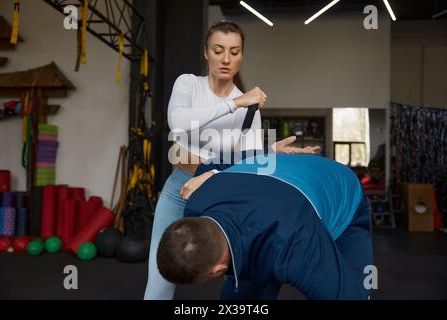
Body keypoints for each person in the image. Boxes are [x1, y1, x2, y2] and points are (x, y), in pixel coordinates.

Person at [144, 20, 319, 300]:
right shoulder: (189, 84)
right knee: (160, 271)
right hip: (179, 191)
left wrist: (268, 153)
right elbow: (177, 124)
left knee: (241, 267)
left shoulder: (250, 109)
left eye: (234, 51)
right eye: (218, 50)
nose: (226, 59)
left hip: (220, 194)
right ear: (206, 53)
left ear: (242, 56)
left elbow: (244, 165)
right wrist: (234, 104)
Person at [157, 153, 373, 300]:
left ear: (218, 270)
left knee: (355, 292)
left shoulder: (295, 247)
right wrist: (213, 172)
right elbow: (216, 160)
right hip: (280, 173)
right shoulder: (197, 198)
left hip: (340, 187)